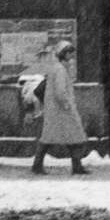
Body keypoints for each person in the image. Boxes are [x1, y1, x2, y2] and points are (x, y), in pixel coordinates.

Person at [33, 40, 90, 175]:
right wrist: (68, 105)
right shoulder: (60, 70)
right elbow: (60, 92)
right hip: (62, 111)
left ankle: (37, 165)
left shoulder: (57, 68)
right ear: (63, 54)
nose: (71, 56)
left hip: (55, 111)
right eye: (69, 53)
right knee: (76, 138)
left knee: (52, 138)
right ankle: (76, 166)